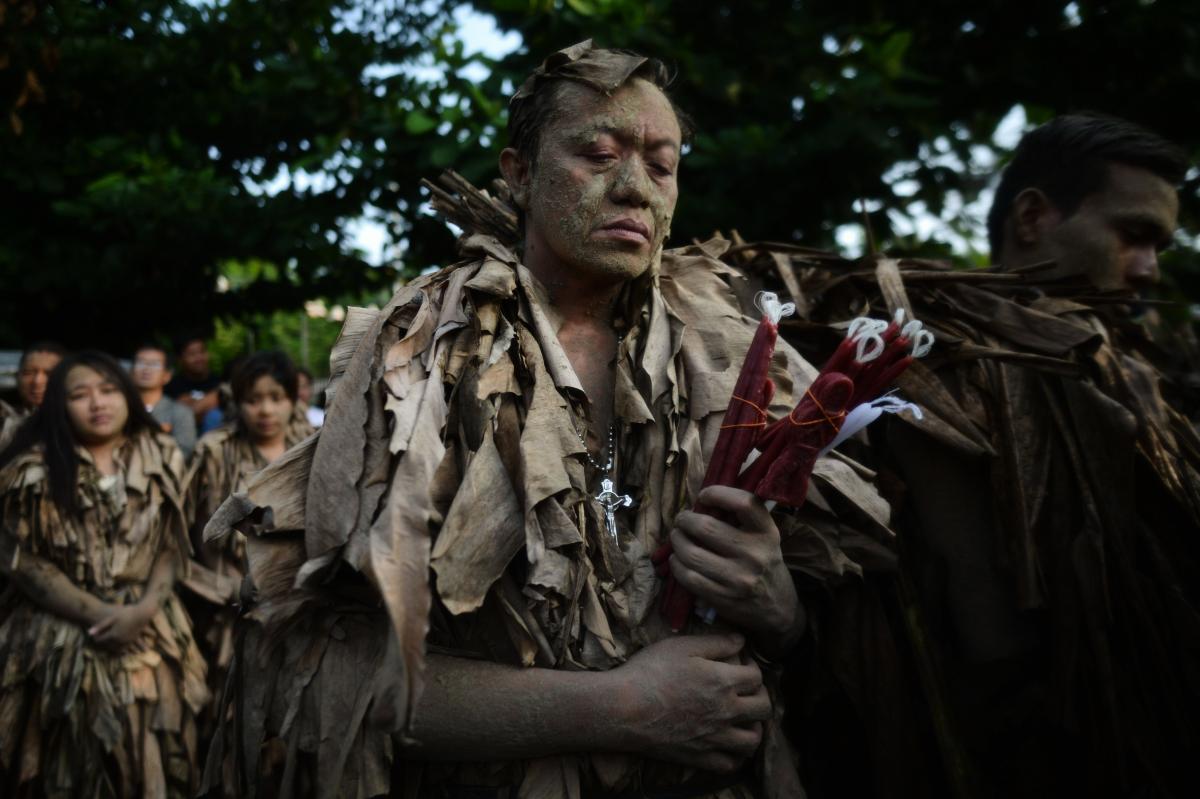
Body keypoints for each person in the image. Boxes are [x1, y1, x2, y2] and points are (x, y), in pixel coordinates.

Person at [199, 41, 886, 798]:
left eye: (661, 165)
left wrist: (781, 608)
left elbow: (857, 642)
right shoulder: (422, 360)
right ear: (519, 173)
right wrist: (620, 707)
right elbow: (318, 668)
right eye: (598, 153)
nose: (634, 187)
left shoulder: (739, 355)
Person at [783, 114, 1200, 799]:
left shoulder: (1140, 371)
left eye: (1160, 245)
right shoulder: (944, 357)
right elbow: (990, 633)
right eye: (1134, 235)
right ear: (1034, 216)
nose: (1150, 268)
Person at [0, 350, 208, 797]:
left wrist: (144, 610)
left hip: (152, 630)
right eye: (80, 394)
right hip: (57, 637)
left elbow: (174, 545)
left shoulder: (164, 454)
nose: (98, 403)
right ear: (60, 404)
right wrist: (98, 613)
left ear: (128, 395)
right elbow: (25, 564)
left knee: (152, 759)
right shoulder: (31, 468)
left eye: (109, 390)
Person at [181, 350, 314, 718]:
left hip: (303, 602)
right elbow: (201, 533)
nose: (266, 411)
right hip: (233, 603)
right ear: (237, 403)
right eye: (253, 400)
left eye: (276, 398)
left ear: (292, 400)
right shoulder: (215, 452)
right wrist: (236, 587)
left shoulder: (314, 446)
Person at [131, 342, 197, 458]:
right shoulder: (121, 408)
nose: (146, 369)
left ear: (167, 376)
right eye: (141, 363)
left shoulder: (181, 412)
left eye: (154, 365)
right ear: (131, 372)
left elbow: (185, 453)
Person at [1, 342, 65, 451]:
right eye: (28, 373)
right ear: (17, 377)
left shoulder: (81, 424)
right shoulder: (4, 420)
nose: (37, 381)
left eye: (49, 374)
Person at [164, 335, 222, 434]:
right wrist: (210, 401)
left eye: (202, 352)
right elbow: (174, 419)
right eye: (191, 354)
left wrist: (191, 406)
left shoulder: (219, 381)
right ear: (180, 359)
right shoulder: (171, 386)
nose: (199, 358)